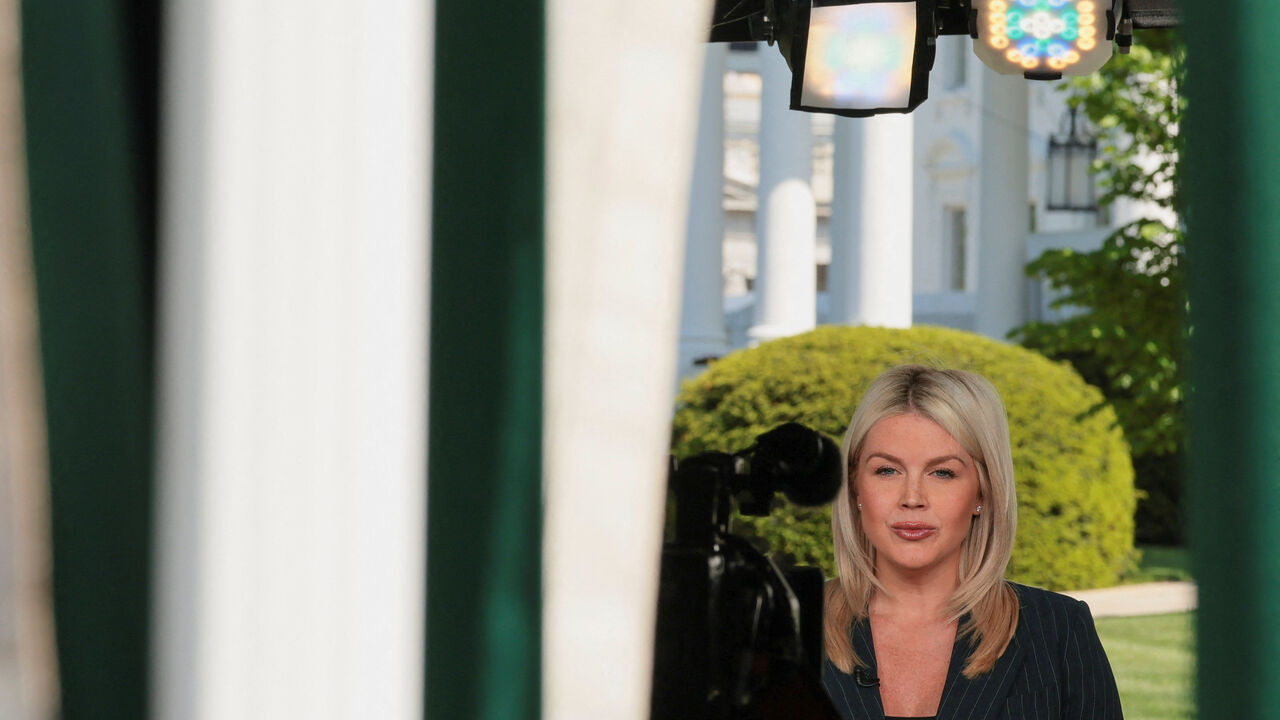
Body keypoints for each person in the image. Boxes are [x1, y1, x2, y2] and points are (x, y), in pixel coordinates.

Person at [821, 365, 1122, 720]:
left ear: (982, 490)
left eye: (942, 472)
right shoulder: (787, 627)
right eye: (887, 470)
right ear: (856, 486)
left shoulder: (1059, 631)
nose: (912, 497)